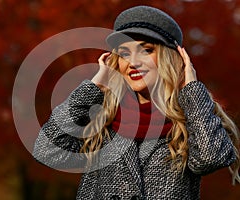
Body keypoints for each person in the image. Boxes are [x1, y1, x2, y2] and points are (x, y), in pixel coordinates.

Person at [33, 5, 240, 199]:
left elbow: (211, 158)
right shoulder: (102, 120)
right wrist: (95, 85)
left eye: (146, 50)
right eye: (124, 53)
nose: (133, 62)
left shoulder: (189, 123)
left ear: (171, 58)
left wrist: (192, 88)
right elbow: (47, 149)